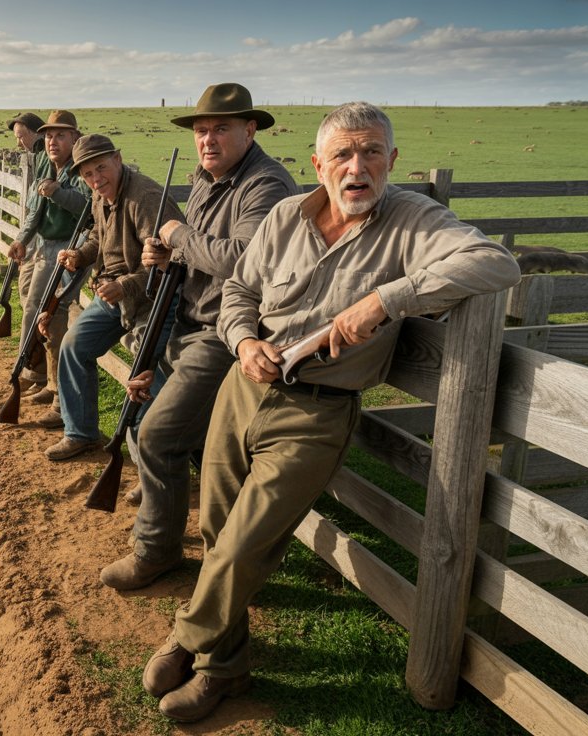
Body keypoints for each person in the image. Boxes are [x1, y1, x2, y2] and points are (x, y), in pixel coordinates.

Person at [141, 101, 521, 723]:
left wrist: (385, 300)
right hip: (245, 388)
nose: (357, 167)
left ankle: (187, 636)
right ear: (318, 164)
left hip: (316, 412)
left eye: (372, 152)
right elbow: (239, 288)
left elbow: (496, 263)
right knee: (216, 530)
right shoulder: (288, 215)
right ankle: (222, 668)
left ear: (391, 161)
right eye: (342, 154)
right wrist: (243, 341)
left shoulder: (413, 220)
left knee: (244, 543)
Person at [100, 83, 298, 591]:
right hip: (189, 323)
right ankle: (222, 550)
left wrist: (175, 237)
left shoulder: (265, 185)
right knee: (198, 443)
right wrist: (169, 257)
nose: (207, 139)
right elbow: (201, 255)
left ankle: (155, 552)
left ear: (250, 129)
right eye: (201, 130)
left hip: (225, 336)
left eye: (221, 128)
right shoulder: (211, 180)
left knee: (158, 436)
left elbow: (241, 260)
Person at [40, 134, 180, 460]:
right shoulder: (99, 196)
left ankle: (152, 458)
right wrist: (80, 255)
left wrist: (125, 286)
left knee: (148, 378)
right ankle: (81, 434)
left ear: (117, 159)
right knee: (75, 346)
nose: (96, 179)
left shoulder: (145, 199)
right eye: (88, 174)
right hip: (115, 295)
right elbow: (99, 239)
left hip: (154, 301)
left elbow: (170, 263)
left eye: (101, 168)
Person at [6, 111, 91, 410]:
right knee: (41, 313)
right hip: (46, 245)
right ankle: (45, 379)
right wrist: (22, 239)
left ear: (74, 139)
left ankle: (52, 388)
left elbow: (88, 210)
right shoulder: (48, 166)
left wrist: (58, 194)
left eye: (61, 136)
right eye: (50, 136)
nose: (53, 141)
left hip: (68, 247)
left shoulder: (81, 170)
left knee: (47, 313)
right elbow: (35, 210)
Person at [6, 111, 52, 390]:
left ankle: (32, 371)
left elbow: (42, 207)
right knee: (26, 295)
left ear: (37, 132)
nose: (19, 143)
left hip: (52, 244)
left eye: (21, 136)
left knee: (37, 306)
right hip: (39, 239)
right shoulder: (39, 156)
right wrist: (24, 239)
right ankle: (35, 368)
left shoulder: (46, 157)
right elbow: (36, 207)